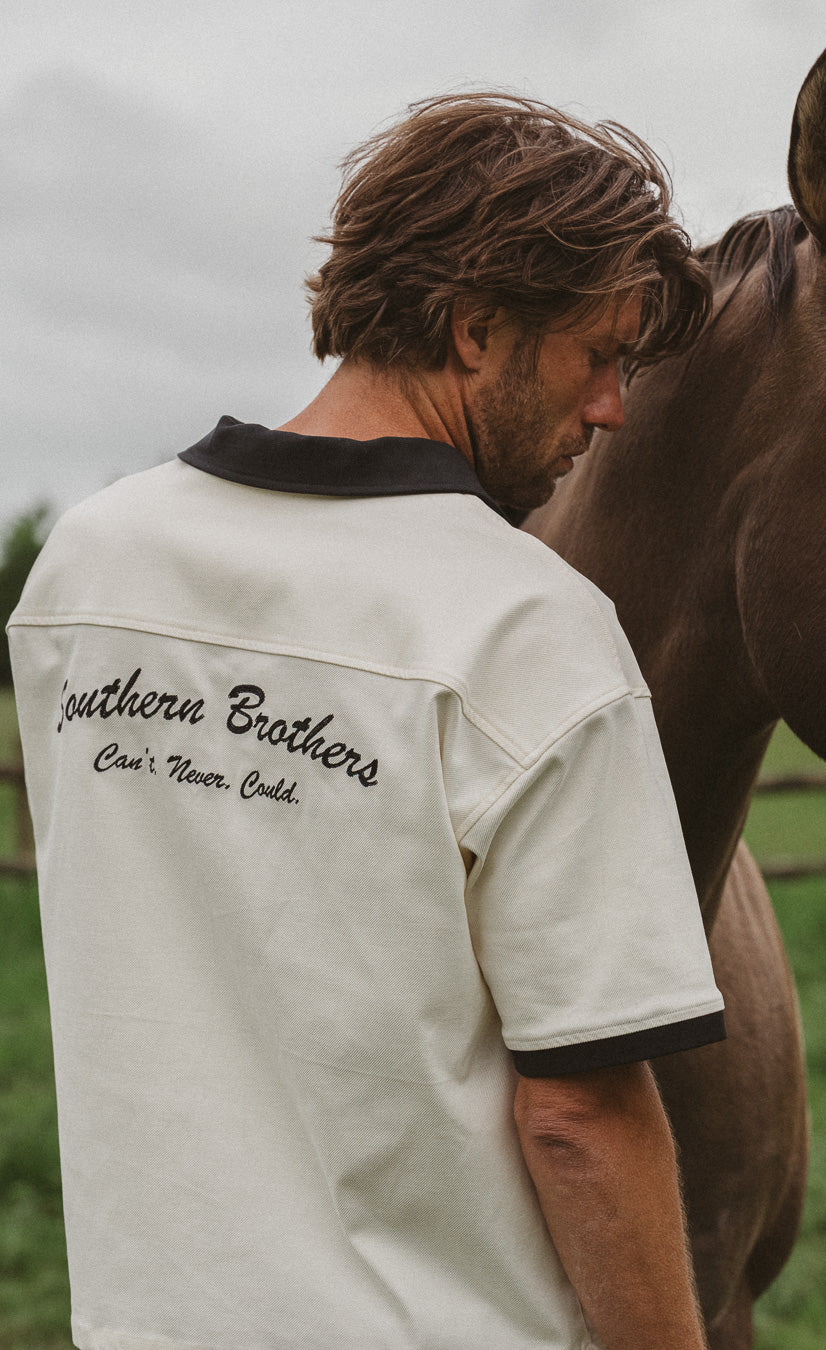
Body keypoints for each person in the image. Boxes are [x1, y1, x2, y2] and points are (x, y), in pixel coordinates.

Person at [9, 95, 727, 1350]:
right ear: (477, 328)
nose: (611, 408)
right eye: (596, 356)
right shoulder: (524, 630)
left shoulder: (89, 570)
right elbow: (583, 1115)